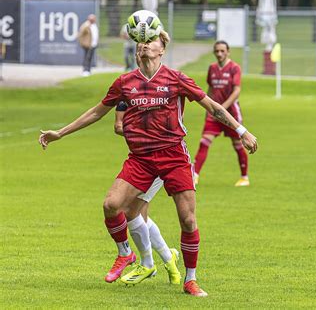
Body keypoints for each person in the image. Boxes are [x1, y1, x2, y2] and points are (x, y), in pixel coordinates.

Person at [38, 31, 258, 297]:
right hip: (140, 159)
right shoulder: (125, 82)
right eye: (140, 41)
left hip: (173, 155)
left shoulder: (176, 79)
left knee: (187, 220)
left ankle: (191, 279)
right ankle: (126, 254)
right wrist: (60, 132)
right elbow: (97, 111)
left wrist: (242, 131)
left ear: (162, 49)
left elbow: (213, 107)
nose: (144, 44)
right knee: (111, 205)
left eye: (151, 41)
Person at [102, 99, 181, 286]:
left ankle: (148, 263)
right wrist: (138, 130)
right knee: (134, 213)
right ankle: (168, 259)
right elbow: (118, 126)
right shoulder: (128, 97)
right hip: (141, 160)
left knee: (131, 212)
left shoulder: (164, 96)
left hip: (161, 159)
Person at [193, 41, 249, 187]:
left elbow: (237, 90)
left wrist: (222, 108)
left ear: (228, 52)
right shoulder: (212, 68)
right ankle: (195, 175)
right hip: (214, 114)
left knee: (238, 144)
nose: (219, 54)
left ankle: (244, 177)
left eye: (222, 51)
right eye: (217, 51)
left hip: (231, 114)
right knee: (204, 141)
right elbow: (210, 89)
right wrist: (209, 108)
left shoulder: (234, 68)